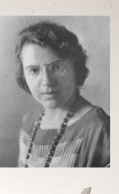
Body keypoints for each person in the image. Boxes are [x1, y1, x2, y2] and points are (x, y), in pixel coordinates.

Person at [15, 21, 109, 167]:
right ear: (23, 74)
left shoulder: (98, 128)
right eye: (34, 70)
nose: (47, 81)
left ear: (75, 68)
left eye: (57, 67)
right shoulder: (29, 121)